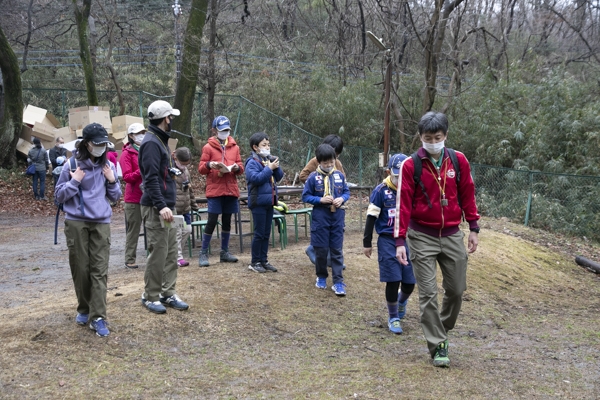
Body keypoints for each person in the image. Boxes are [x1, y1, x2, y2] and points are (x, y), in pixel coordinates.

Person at [394, 111, 480, 367]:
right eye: (428, 137)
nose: (433, 142)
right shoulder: (411, 165)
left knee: (456, 290)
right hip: (421, 235)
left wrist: (474, 226)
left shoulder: (458, 160)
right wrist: (400, 241)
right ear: (420, 137)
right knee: (428, 294)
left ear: (446, 136)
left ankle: (440, 326)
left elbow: (468, 193)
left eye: (437, 137)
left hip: (452, 233)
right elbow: (403, 205)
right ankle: (437, 344)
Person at [54, 123, 122, 337]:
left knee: (99, 270)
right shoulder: (71, 164)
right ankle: (84, 308)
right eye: (97, 144)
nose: (102, 147)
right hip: (76, 222)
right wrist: (74, 181)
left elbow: (115, 197)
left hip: (101, 223)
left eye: (104, 144)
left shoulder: (108, 164)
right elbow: (59, 197)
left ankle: (98, 316)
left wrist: (112, 180)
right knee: (81, 268)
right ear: (86, 144)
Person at [139, 100, 189, 314]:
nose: (172, 121)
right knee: (158, 253)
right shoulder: (151, 142)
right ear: (164, 118)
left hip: (167, 205)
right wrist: (161, 206)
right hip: (157, 207)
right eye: (170, 117)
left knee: (170, 253)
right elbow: (149, 179)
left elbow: (159, 173)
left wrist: (170, 172)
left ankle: (168, 293)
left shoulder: (160, 140)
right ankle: (150, 296)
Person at [363, 154, 415, 335]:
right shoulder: (380, 191)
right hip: (387, 240)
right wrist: (367, 242)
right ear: (389, 172)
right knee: (393, 280)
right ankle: (393, 317)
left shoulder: (412, 190)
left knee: (409, 282)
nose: (401, 180)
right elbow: (371, 217)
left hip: (408, 241)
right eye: (397, 176)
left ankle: (401, 302)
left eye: (405, 176)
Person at [302, 143, 350, 295]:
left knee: (336, 250)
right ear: (319, 162)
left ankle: (338, 282)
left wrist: (342, 199)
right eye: (325, 163)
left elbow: (347, 192)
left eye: (331, 162)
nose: (329, 165)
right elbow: (305, 196)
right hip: (320, 218)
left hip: (337, 218)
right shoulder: (313, 177)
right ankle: (321, 276)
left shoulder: (339, 176)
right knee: (321, 250)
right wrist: (320, 200)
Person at [197, 116, 244, 267]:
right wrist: (210, 164)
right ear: (214, 130)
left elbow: (240, 165)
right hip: (215, 189)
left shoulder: (235, 147)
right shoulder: (207, 147)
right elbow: (201, 168)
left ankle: (224, 252)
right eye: (222, 130)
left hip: (230, 189)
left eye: (227, 130)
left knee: (227, 221)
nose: (225, 133)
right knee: (211, 221)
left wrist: (237, 168)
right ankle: (203, 253)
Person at [244, 132, 284, 273]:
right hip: (258, 202)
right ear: (255, 147)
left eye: (268, 145)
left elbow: (278, 177)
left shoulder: (268, 160)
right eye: (264, 145)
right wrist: (269, 169)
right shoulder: (251, 162)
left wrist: (275, 166)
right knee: (259, 233)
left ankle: (263, 260)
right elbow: (255, 178)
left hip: (269, 201)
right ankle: (255, 262)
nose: (267, 147)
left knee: (267, 233)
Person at [120, 123, 146, 269]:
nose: (141, 135)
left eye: (143, 132)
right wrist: (141, 171)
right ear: (131, 136)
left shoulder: (147, 149)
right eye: (138, 133)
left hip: (149, 194)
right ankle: (130, 259)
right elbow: (127, 177)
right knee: (134, 229)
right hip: (134, 198)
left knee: (154, 226)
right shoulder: (126, 154)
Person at [172, 147, 199, 267]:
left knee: (187, 230)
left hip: (185, 209)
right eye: (182, 164)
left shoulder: (186, 171)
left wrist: (194, 204)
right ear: (175, 158)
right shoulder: (169, 170)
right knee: (176, 233)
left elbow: (189, 189)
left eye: (186, 164)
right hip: (175, 209)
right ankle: (177, 257)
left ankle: (177, 254)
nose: (184, 166)